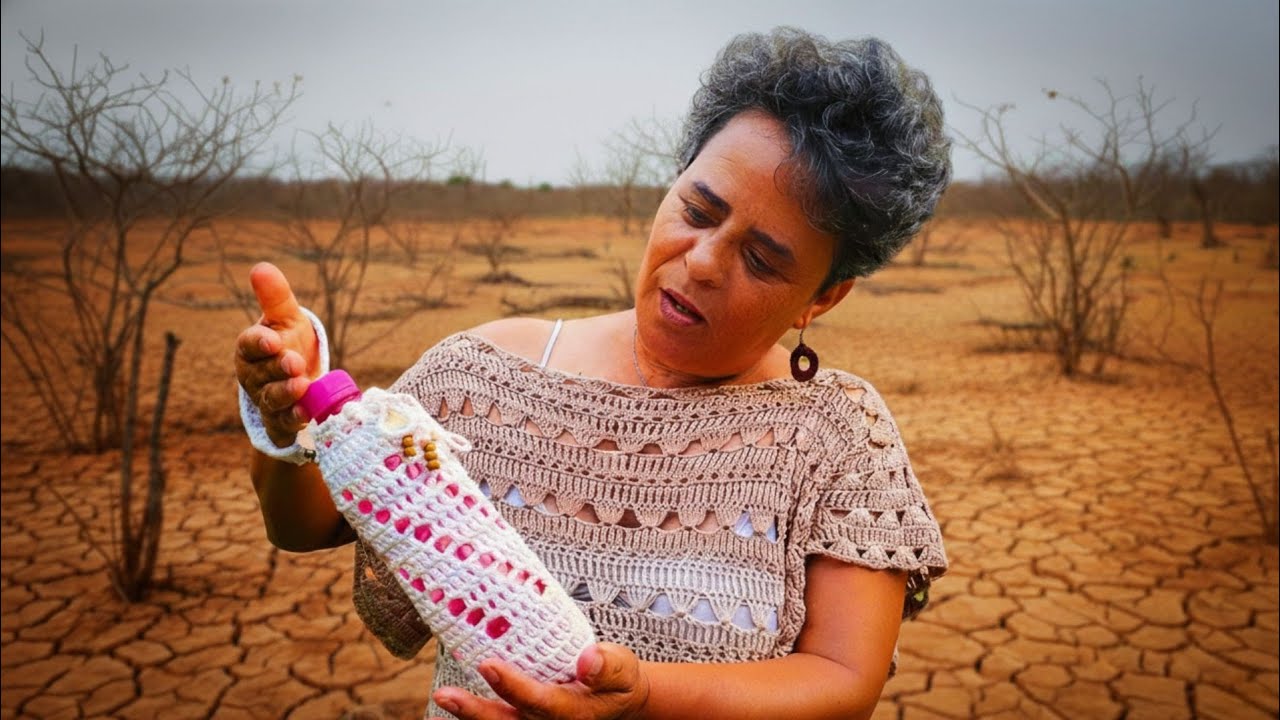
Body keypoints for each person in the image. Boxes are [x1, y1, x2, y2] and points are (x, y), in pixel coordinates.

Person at [235, 27, 950, 720]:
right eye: (697, 210)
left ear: (823, 296)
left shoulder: (838, 436)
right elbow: (307, 527)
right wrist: (289, 426)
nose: (701, 260)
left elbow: (842, 680)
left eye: (762, 259)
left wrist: (644, 699)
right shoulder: (482, 377)